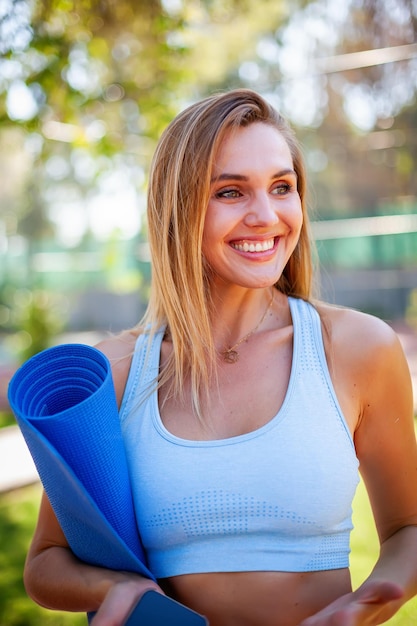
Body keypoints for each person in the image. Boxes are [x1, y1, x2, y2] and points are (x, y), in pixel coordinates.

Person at [23, 88, 417, 626]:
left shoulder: (355, 349)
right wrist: (118, 588)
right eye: (230, 192)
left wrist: (365, 605)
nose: (266, 215)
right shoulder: (115, 374)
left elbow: (407, 529)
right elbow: (46, 562)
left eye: (283, 187)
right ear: (178, 209)